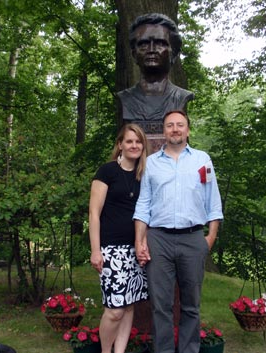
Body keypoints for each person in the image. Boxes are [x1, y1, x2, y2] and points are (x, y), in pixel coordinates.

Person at [133, 110, 223, 353]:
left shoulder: (202, 160)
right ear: (164, 131)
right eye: (170, 125)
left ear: (188, 130)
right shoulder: (152, 162)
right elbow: (143, 204)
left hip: (193, 239)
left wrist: (210, 238)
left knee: (191, 305)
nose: (175, 129)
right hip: (158, 239)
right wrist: (139, 241)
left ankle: (189, 350)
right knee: (160, 305)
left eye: (180, 125)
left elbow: (213, 202)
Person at [89, 123, 150, 353]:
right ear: (120, 145)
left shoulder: (144, 174)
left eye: (138, 141)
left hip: (135, 249)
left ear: (142, 146)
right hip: (110, 250)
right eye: (129, 141)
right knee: (114, 310)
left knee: (129, 306)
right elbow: (94, 213)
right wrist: (96, 250)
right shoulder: (106, 171)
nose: (134, 145)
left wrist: (143, 245)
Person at [117, 13, 194, 133]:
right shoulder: (125, 99)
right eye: (143, 44)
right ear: (134, 54)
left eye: (160, 43)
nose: (151, 50)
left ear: (173, 53)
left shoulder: (180, 97)